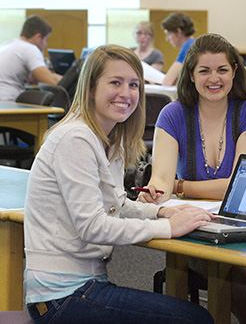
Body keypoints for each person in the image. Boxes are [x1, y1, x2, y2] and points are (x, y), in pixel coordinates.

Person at [23, 44, 214, 324]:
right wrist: (168, 228)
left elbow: (116, 204)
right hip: (61, 296)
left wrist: (160, 212)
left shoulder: (107, 139)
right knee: (195, 319)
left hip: (80, 287)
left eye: (134, 84)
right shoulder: (75, 139)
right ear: (90, 88)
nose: (126, 93)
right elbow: (92, 226)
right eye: (115, 82)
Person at [138, 33, 246, 324]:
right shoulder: (173, 115)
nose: (215, 78)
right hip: (198, 232)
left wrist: (181, 187)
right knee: (240, 278)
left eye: (222, 70)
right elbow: (161, 178)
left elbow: (241, 186)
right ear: (191, 75)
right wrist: (157, 191)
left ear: (234, 72)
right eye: (204, 70)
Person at [0, 15, 62, 101]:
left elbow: (33, 79)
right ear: (38, 37)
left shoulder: (7, 45)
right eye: (46, 40)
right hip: (7, 101)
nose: (46, 45)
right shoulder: (29, 48)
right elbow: (51, 81)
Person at [161, 12, 196, 86]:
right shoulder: (195, 43)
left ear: (178, 31)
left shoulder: (188, 46)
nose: (167, 39)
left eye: (169, 34)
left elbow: (167, 82)